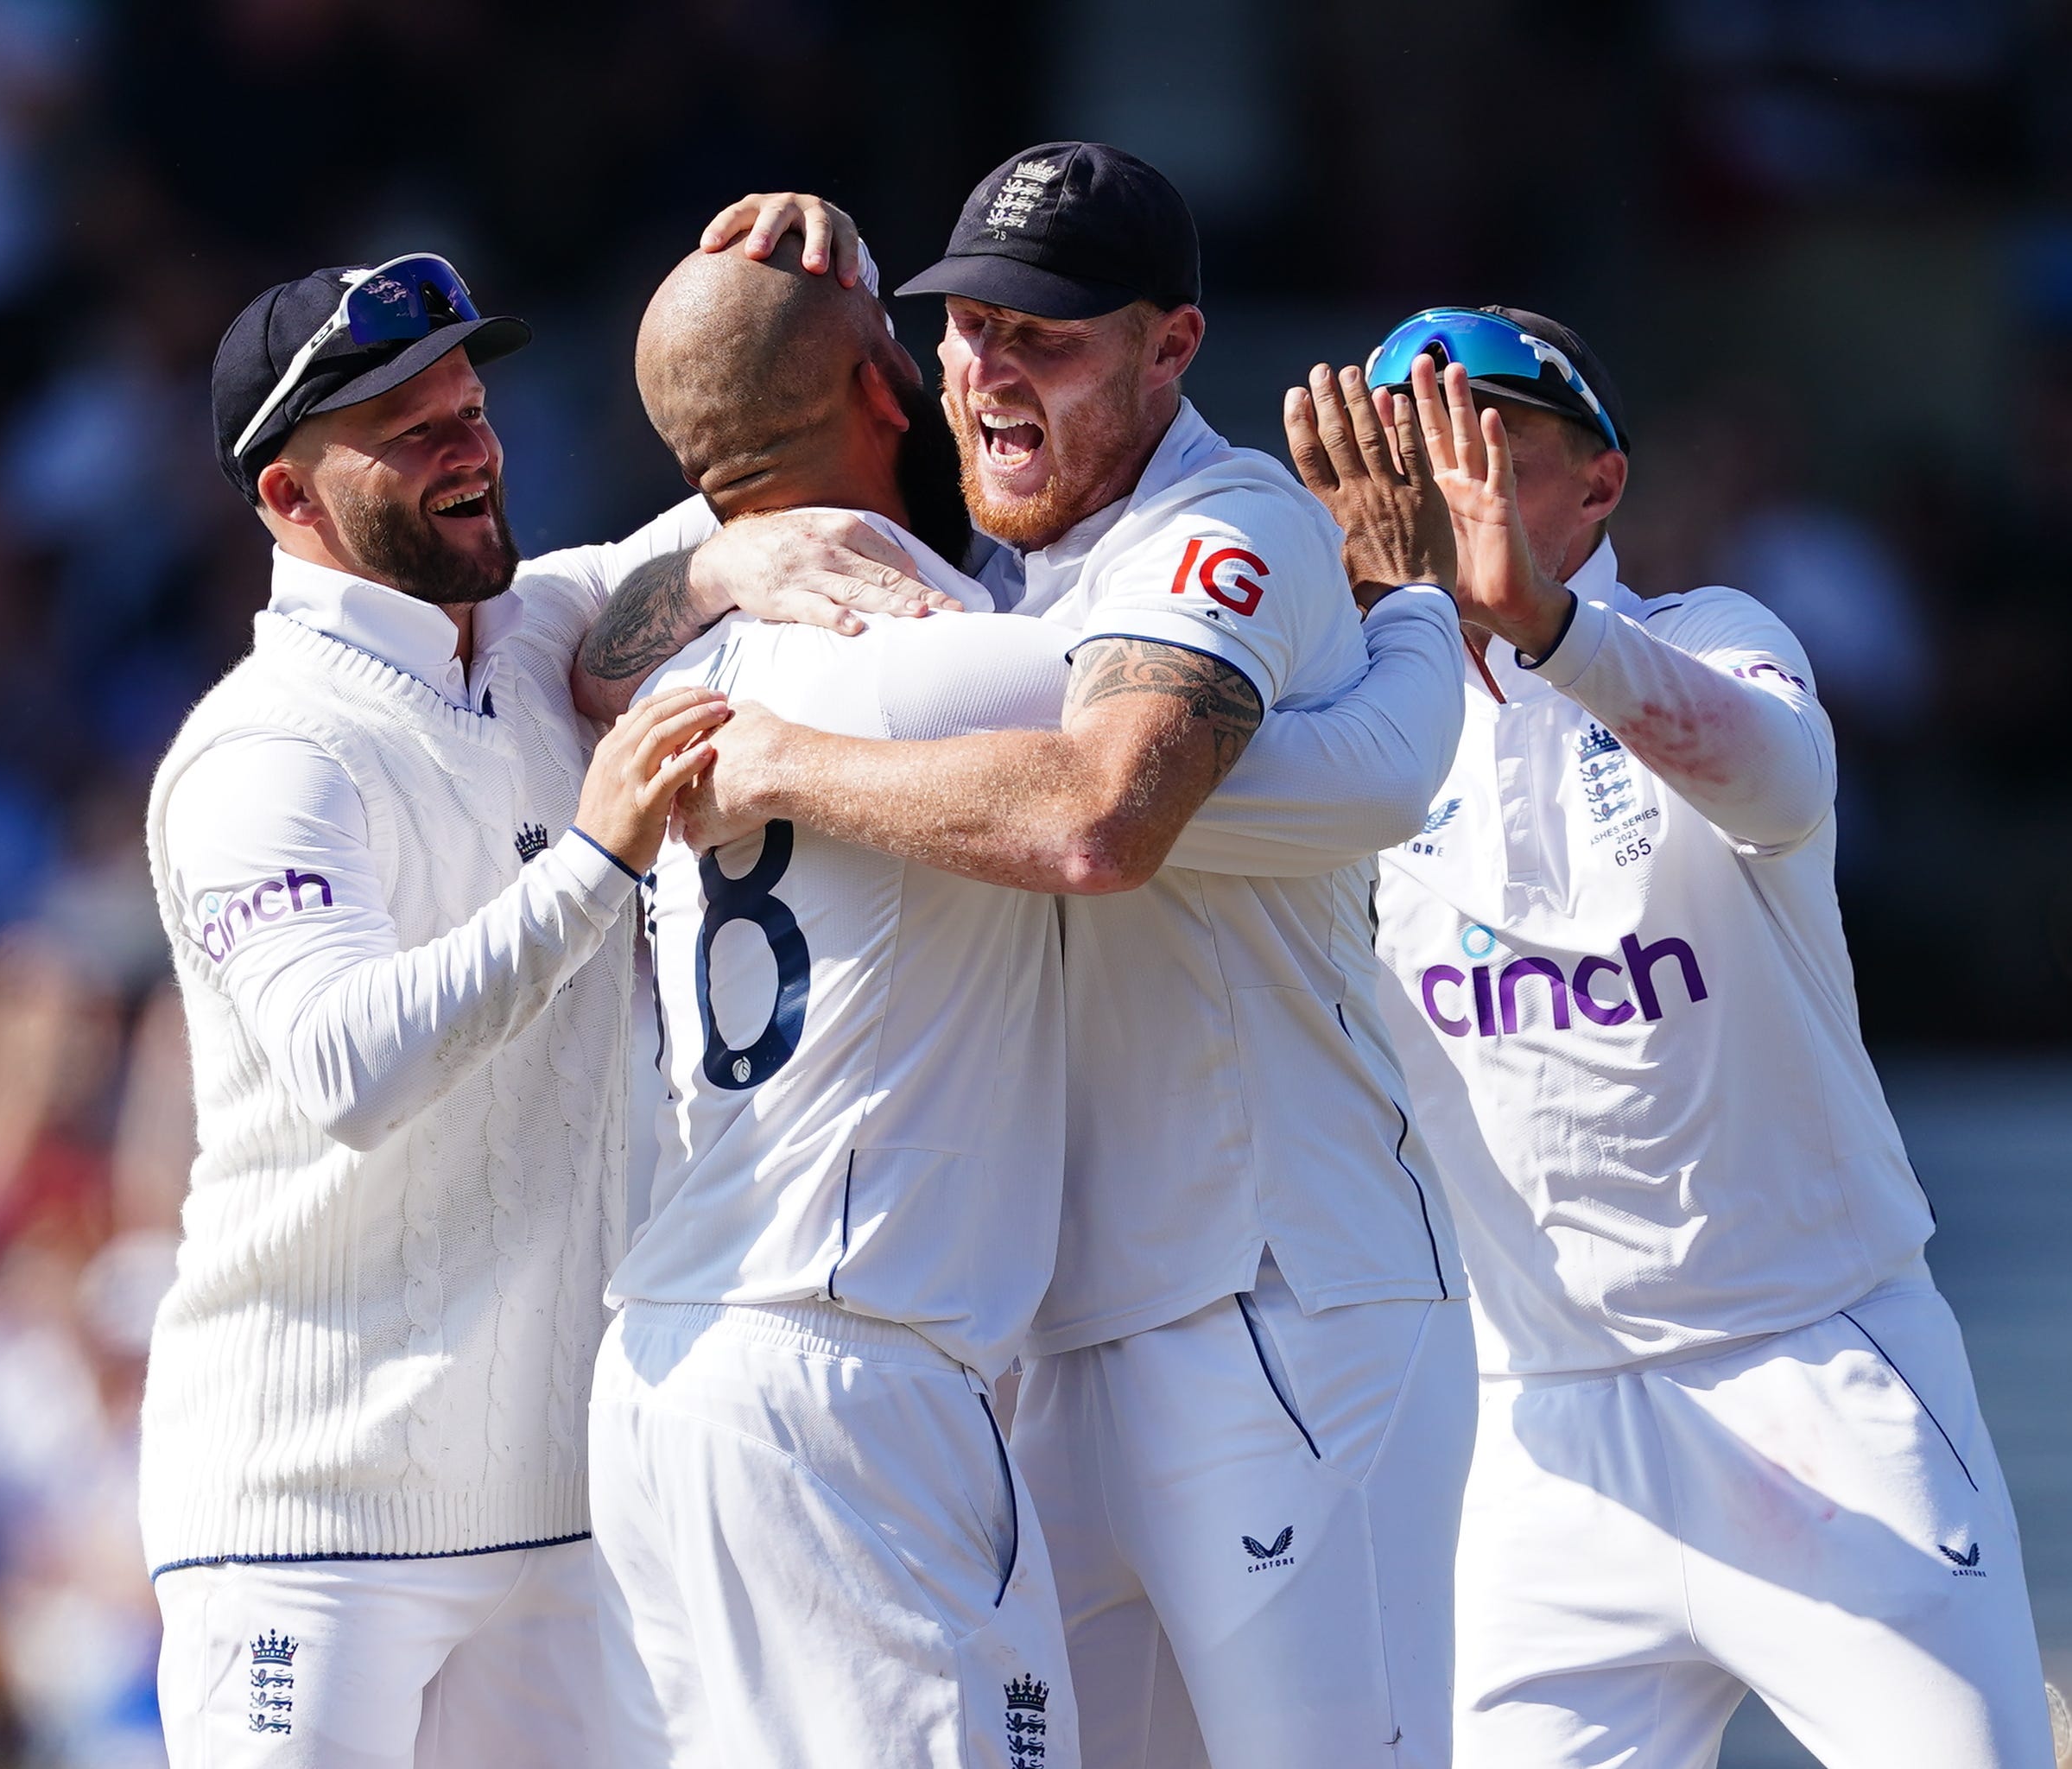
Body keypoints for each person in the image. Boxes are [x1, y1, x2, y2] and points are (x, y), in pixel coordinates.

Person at [660, 147, 1478, 1769]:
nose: (989, 369)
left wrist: (767, 767)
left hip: (1280, 1293)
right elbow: (580, 630)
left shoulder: (1228, 520)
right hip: (1060, 1331)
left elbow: (1106, 819)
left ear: (1173, 347)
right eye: (962, 326)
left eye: (1049, 333)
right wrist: (717, 546)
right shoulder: (983, 577)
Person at [1300, 309, 2055, 1766]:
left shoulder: (1709, 633)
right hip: (1540, 1428)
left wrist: (1550, 632)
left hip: (1814, 1367)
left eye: (1488, 447)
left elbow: (1779, 783)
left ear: (1601, 488)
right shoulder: (1352, 719)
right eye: (1406, 454)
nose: (1443, 491)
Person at [137, 255, 731, 1769]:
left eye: (470, 407)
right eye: (407, 432)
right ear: (288, 498)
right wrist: (598, 860)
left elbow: (743, 504)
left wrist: (812, 265)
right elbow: (349, 1062)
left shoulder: (537, 632)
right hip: (306, 1528)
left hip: (562, 1520)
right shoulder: (262, 753)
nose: (469, 446)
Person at [586, 228, 1086, 1769]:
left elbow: (583, 650)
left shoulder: (663, 668)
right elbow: (1159, 737)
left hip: (669, 1371)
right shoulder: (946, 661)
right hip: (849, 1365)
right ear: (886, 385)